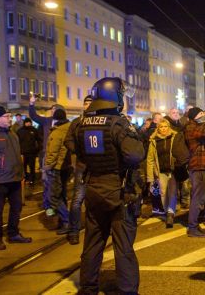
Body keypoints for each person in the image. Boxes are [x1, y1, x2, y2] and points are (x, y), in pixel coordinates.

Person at [70, 78, 145, 294]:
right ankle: (127, 290)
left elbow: (76, 149)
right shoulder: (118, 123)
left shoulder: (80, 124)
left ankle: (88, 288)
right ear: (116, 97)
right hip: (118, 191)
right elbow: (135, 154)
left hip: (93, 188)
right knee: (123, 248)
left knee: (92, 244)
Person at [0, 106, 32, 250]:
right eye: (6, 116)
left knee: (16, 208)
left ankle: (13, 233)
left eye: (9, 116)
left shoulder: (13, 133)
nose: (9, 118)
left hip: (16, 179)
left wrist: (22, 174)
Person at [146, 118, 189, 228]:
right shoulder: (154, 141)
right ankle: (166, 211)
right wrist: (150, 178)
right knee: (163, 192)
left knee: (173, 192)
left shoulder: (174, 137)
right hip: (160, 171)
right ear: (158, 128)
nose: (163, 129)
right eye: (161, 127)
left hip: (173, 169)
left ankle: (170, 212)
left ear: (168, 127)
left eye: (165, 126)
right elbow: (150, 160)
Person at [63, 95, 93, 245]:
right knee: (77, 200)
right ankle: (74, 230)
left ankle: (94, 229)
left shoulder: (100, 120)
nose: (88, 105)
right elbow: (67, 140)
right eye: (86, 103)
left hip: (97, 167)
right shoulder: (77, 122)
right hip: (82, 166)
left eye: (91, 103)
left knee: (95, 200)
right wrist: (78, 151)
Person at [184, 106, 205, 236]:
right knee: (198, 197)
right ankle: (192, 227)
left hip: (201, 165)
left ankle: (194, 224)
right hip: (198, 165)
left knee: (200, 196)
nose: (202, 116)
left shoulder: (195, 126)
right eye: (200, 114)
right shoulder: (191, 127)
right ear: (194, 117)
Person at [29, 96, 65, 209]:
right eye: (52, 109)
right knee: (46, 180)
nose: (52, 111)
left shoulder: (65, 124)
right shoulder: (46, 121)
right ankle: (47, 205)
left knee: (59, 182)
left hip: (60, 156)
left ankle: (58, 204)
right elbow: (34, 116)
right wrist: (31, 104)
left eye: (54, 109)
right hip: (47, 155)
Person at [43, 109, 71, 234]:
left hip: (56, 168)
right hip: (66, 167)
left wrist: (47, 167)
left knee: (54, 196)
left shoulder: (57, 132)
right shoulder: (69, 129)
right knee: (62, 194)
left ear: (55, 119)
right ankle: (63, 220)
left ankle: (66, 221)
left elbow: (52, 153)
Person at [17, 118, 42, 188]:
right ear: (24, 123)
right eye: (27, 122)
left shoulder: (34, 130)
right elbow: (17, 142)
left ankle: (32, 180)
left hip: (32, 153)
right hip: (22, 153)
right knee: (23, 167)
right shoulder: (20, 131)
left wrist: (38, 149)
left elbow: (39, 140)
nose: (28, 124)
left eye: (29, 122)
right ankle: (24, 179)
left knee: (32, 167)